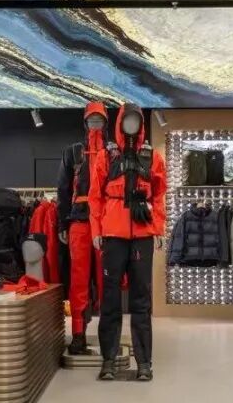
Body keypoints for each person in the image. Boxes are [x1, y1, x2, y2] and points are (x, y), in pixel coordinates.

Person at [88, 103, 167, 382]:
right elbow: (95, 196)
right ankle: (108, 360)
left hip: (142, 234)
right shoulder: (106, 157)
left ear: (141, 124)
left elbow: (159, 195)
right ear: (120, 122)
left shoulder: (152, 157)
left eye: (136, 119)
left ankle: (144, 362)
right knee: (110, 299)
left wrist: (158, 228)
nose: (131, 124)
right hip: (112, 234)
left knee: (141, 300)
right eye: (127, 119)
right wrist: (96, 229)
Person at [56, 101, 110, 355]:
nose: (95, 123)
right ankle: (78, 333)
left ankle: (108, 333)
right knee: (78, 278)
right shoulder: (73, 152)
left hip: (106, 223)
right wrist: (62, 223)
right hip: (79, 221)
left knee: (107, 278)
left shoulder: (113, 151)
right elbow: (63, 189)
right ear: (85, 122)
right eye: (92, 119)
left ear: (106, 123)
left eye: (100, 119)